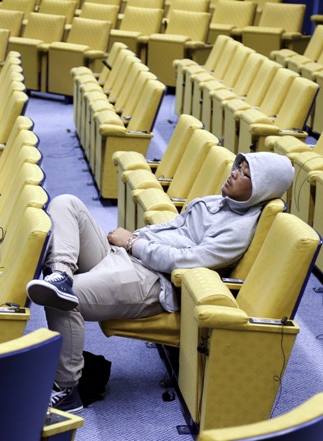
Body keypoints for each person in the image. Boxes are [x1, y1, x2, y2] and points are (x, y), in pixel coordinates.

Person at [25, 152, 294, 413]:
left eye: (245, 174)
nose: (234, 173)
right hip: (126, 256)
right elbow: (173, 229)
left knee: (62, 299)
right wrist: (133, 242)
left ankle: (67, 390)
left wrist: (134, 243)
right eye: (238, 166)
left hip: (152, 280)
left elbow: (189, 260)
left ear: (260, 190)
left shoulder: (237, 231)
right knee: (65, 202)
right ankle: (61, 273)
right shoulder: (217, 202)